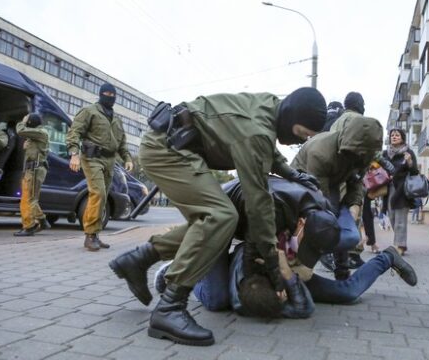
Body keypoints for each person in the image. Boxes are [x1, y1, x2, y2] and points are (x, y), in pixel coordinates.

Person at [109, 88, 327, 346]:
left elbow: (268, 151)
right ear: (290, 118)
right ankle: (170, 307)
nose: (295, 142)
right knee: (221, 217)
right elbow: (258, 204)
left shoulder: (269, 107)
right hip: (166, 150)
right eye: (299, 134)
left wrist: (294, 175)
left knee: (211, 220)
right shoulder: (256, 130)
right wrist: (272, 264)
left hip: (172, 145)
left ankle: (139, 259)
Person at [154, 177, 417, 318]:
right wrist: (289, 275)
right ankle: (387, 258)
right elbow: (304, 309)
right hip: (253, 251)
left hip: (244, 251)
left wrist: (281, 261)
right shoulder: (267, 300)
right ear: (282, 297)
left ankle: (174, 269)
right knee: (347, 294)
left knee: (215, 300)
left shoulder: (314, 218)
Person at [292, 111, 383, 280]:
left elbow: (356, 182)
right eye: (354, 153)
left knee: (350, 235)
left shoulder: (364, 154)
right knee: (325, 222)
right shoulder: (321, 152)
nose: (359, 158)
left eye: (363, 154)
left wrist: (354, 206)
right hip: (302, 182)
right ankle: (302, 263)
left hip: (331, 182)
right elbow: (321, 200)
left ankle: (342, 269)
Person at [67, 83, 133, 251]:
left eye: (113, 94)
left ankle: (95, 234)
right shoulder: (89, 111)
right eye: (107, 93)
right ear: (101, 94)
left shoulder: (117, 119)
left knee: (102, 197)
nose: (110, 96)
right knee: (98, 193)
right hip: (92, 158)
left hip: (110, 161)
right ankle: (89, 236)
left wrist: (127, 158)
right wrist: (74, 153)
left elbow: (122, 142)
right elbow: (74, 132)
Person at [382, 128, 418, 255]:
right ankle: (399, 242)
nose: (394, 136)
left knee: (400, 218)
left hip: (402, 189)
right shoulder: (385, 154)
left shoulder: (408, 152)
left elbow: (415, 173)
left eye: (397, 135)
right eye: (392, 135)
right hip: (388, 188)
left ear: (402, 137)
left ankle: (400, 245)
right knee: (392, 217)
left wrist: (409, 162)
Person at [14, 113, 51, 237]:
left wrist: (22, 122)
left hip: (35, 170)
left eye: (27, 120)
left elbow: (20, 131)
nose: (25, 121)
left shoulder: (41, 132)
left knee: (30, 200)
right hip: (31, 169)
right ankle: (34, 223)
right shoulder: (35, 135)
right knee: (26, 200)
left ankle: (36, 222)